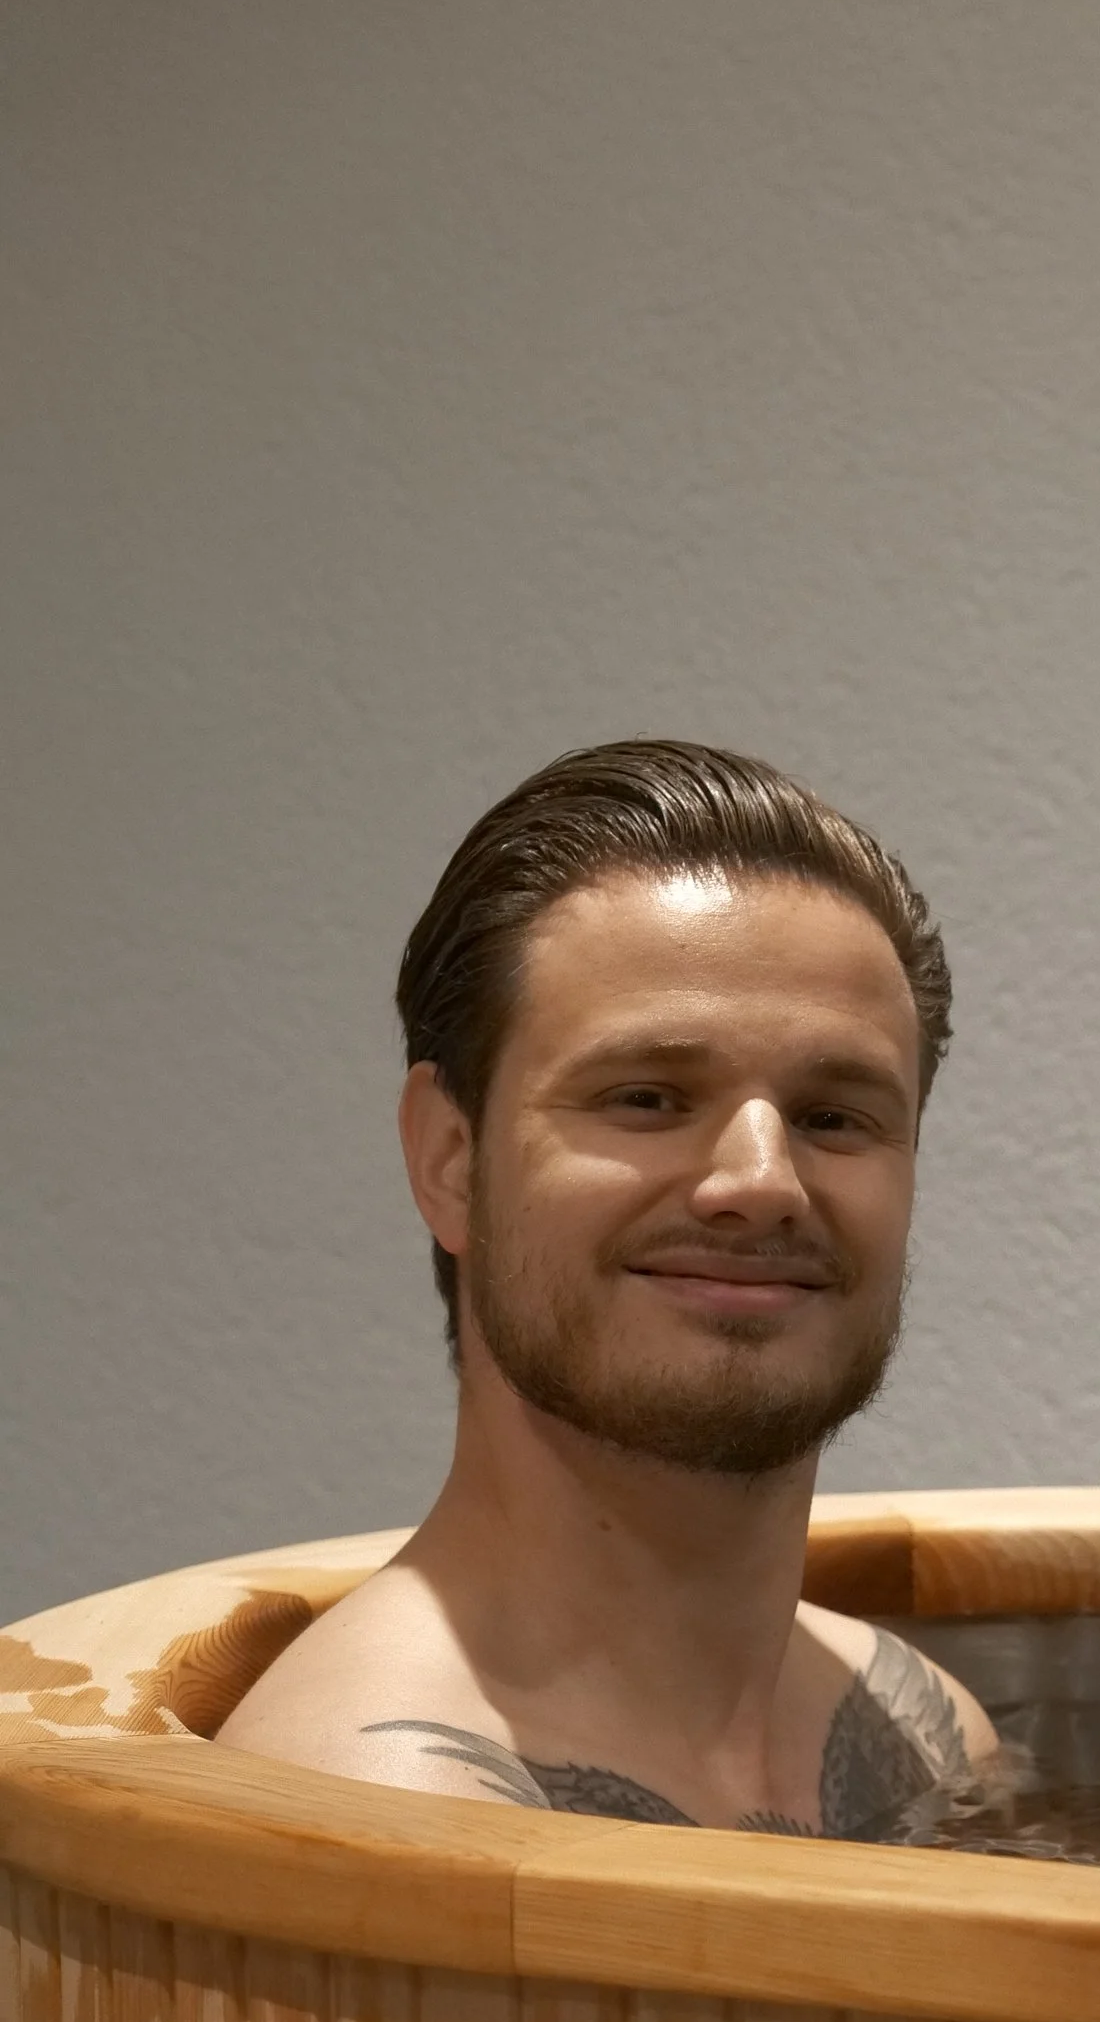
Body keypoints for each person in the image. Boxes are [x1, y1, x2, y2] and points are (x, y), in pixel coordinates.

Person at [218, 738, 995, 1833]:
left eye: (834, 1117)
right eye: (646, 1098)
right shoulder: (375, 1807)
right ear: (449, 1161)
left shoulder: (934, 1739)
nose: (761, 1183)